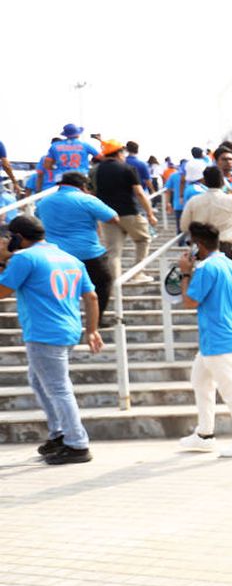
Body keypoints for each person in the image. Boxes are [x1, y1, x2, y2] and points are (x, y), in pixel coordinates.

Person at [0, 215, 103, 464]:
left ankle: (77, 444)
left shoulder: (25, 258)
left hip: (44, 332)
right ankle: (59, 434)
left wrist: (3, 259)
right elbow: (91, 297)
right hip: (68, 329)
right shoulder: (69, 258)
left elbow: (2, 292)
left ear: (18, 238)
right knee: (38, 381)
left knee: (58, 388)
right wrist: (92, 329)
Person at [175, 222, 232, 458]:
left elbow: (190, 302)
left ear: (199, 245)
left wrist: (185, 272)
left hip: (217, 337)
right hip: (220, 337)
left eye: (191, 244)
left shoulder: (206, 269)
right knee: (200, 380)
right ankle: (205, 434)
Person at [36, 171, 119, 317]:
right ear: (83, 185)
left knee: (58, 289)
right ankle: (97, 319)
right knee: (103, 283)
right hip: (87, 252)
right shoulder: (87, 199)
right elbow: (113, 218)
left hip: (55, 254)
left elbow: (37, 216)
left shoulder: (44, 202)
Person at [93, 140, 158, 279]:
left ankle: (115, 284)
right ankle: (137, 273)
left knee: (113, 252)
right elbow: (139, 193)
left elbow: (91, 193)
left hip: (106, 215)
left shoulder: (95, 170)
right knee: (143, 239)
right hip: (129, 212)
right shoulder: (127, 168)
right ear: (119, 153)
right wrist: (150, 213)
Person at [180, 167, 232, 261]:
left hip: (201, 248)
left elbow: (184, 226)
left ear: (204, 181)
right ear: (222, 181)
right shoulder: (231, 200)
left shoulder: (193, 201)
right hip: (224, 246)